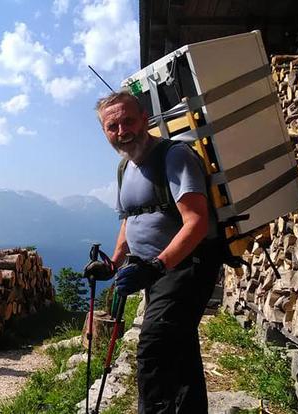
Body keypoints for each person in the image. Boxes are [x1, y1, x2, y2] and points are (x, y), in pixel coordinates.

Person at [95, 90, 221, 413]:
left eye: (128, 121)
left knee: (155, 347)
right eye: (113, 127)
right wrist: (112, 263)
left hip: (187, 266)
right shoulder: (125, 169)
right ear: (104, 132)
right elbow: (130, 221)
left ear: (145, 119)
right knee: (179, 349)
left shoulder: (174, 156)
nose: (122, 131)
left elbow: (196, 222)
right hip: (158, 273)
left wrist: (156, 266)